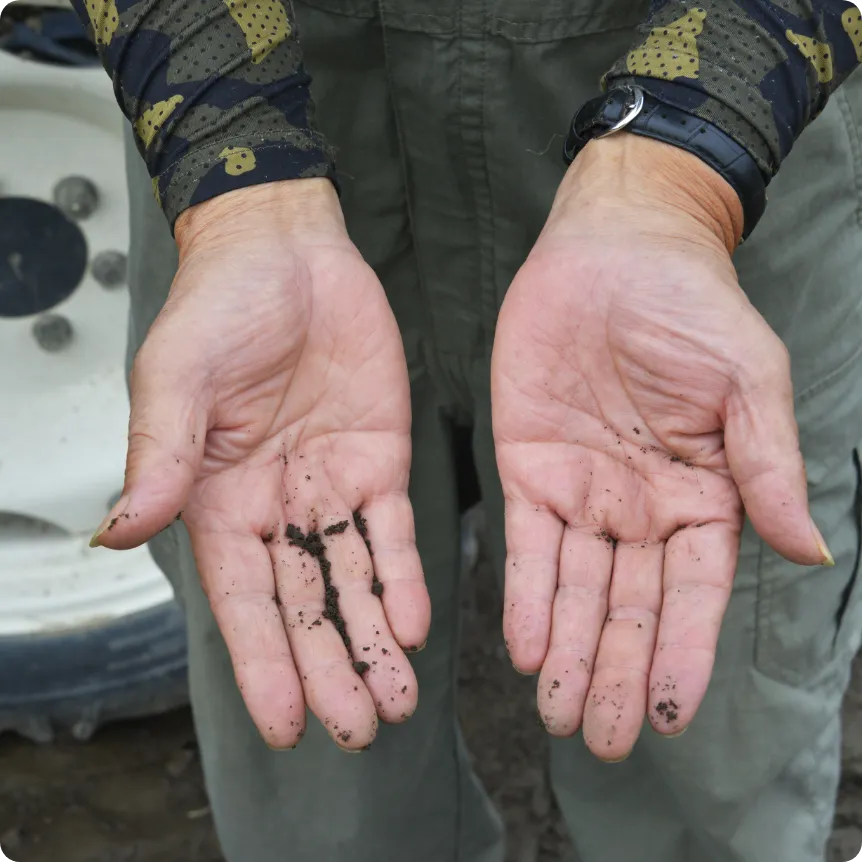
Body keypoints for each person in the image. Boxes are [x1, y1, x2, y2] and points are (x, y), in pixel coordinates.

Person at [72, 0, 862, 859]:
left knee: (702, 739)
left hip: (715, 101)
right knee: (317, 763)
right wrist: (231, 165)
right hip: (249, 107)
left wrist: (688, 163)